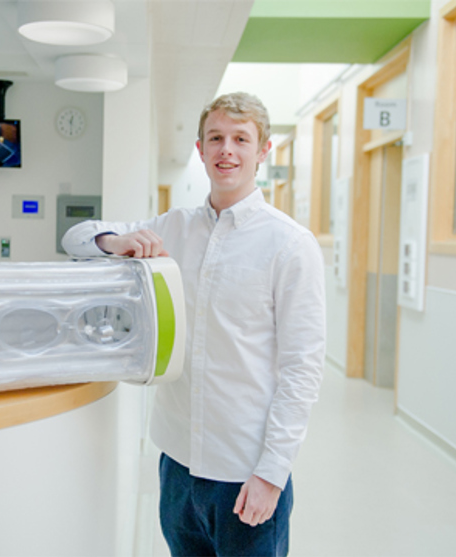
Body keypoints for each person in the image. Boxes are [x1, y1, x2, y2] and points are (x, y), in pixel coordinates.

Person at [61, 92, 325, 557]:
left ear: (262, 152)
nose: (228, 150)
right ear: (200, 150)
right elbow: (75, 237)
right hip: (177, 464)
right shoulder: (173, 227)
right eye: (216, 138)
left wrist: (272, 473)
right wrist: (118, 239)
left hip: (246, 472)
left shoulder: (290, 245)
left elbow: (302, 369)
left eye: (241, 139)